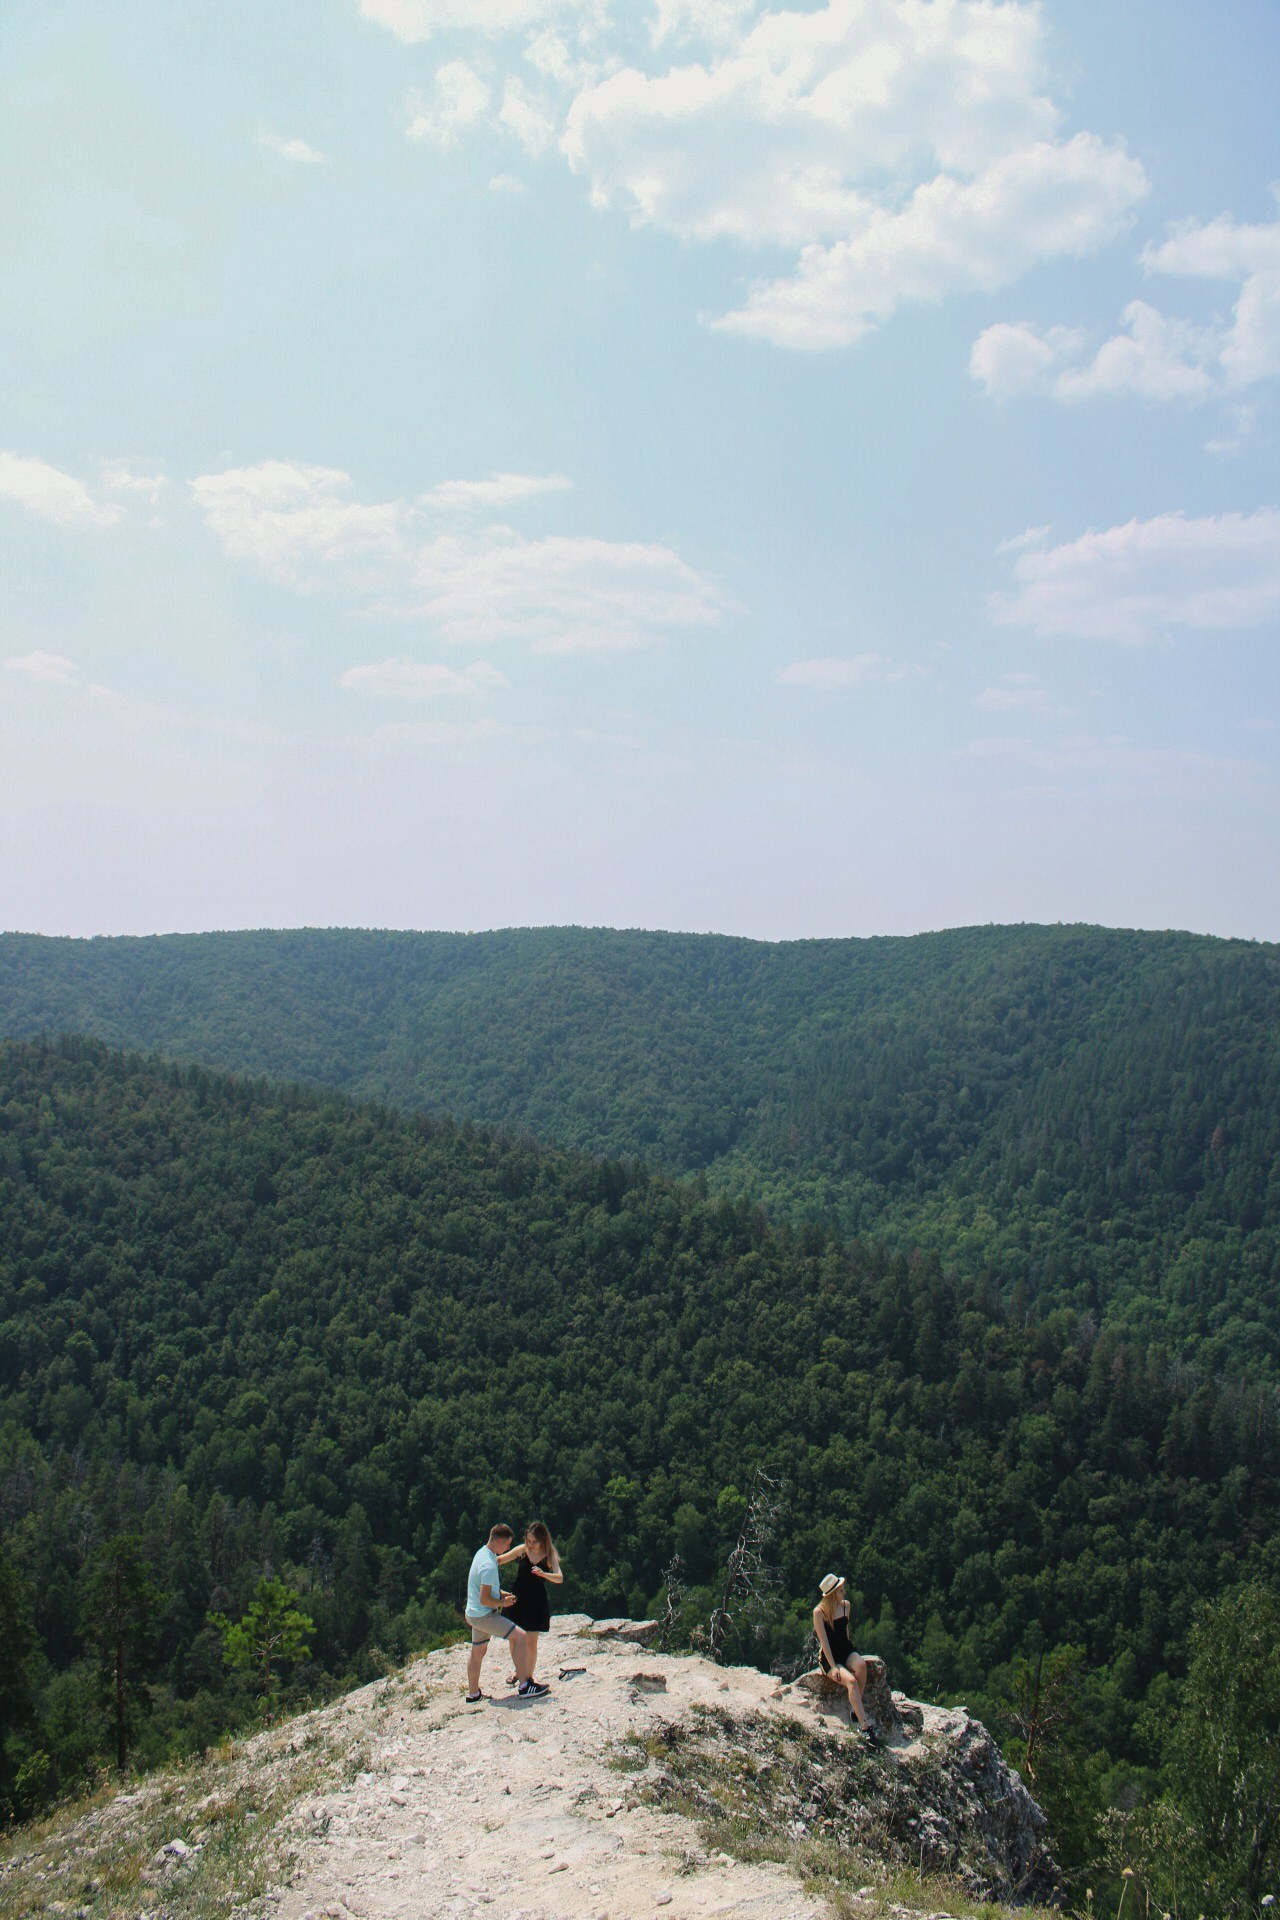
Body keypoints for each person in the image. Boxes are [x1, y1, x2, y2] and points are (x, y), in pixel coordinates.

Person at [464, 1523, 549, 1702]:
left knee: (477, 1651)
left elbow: (486, 1590)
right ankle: (526, 1686)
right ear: (499, 1540)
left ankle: (473, 1694)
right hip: (484, 1614)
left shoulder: (482, 1554)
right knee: (520, 1637)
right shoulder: (488, 1565)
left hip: (473, 1613)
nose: (508, 1548)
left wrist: (502, 1594)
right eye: (507, 1544)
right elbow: (485, 1599)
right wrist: (503, 1602)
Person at [813, 1573, 883, 1747]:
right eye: (841, 1590)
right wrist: (835, 1666)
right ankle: (865, 1727)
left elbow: (844, 1633)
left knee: (861, 1666)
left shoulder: (845, 1606)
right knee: (851, 1681)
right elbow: (825, 1642)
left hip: (844, 1648)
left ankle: (855, 1707)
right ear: (832, 1594)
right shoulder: (819, 1613)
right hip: (830, 1655)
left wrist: (851, 1654)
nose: (844, 1593)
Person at [498, 1522, 563, 1685]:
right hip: (518, 1599)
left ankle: (529, 1676)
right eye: (529, 1541)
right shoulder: (522, 1550)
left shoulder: (550, 1555)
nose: (531, 1544)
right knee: (514, 1639)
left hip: (536, 1601)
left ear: (543, 1540)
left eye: (535, 1542)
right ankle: (519, 1671)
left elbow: (559, 1577)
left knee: (531, 1642)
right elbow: (500, 1560)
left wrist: (544, 1574)